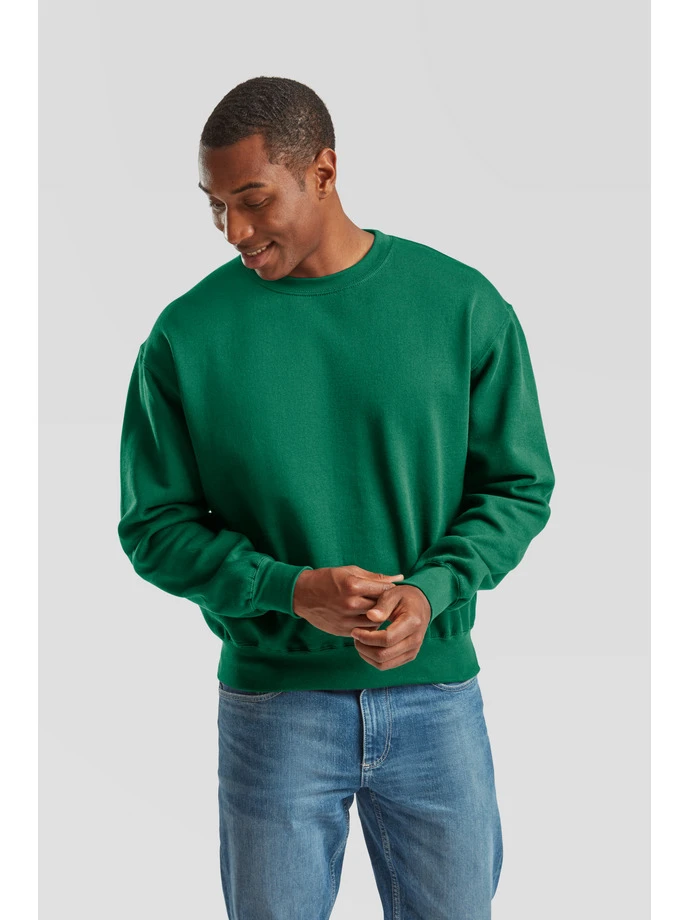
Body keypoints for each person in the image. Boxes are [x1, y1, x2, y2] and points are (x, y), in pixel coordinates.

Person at [118, 75, 555, 920]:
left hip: (436, 700)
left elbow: (516, 485)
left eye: (253, 200)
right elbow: (153, 526)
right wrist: (289, 589)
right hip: (274, 710)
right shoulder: (186, 335)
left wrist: (430, 593)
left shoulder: (459, 305)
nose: (234, 231)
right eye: (215, 207)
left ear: (322, 171)